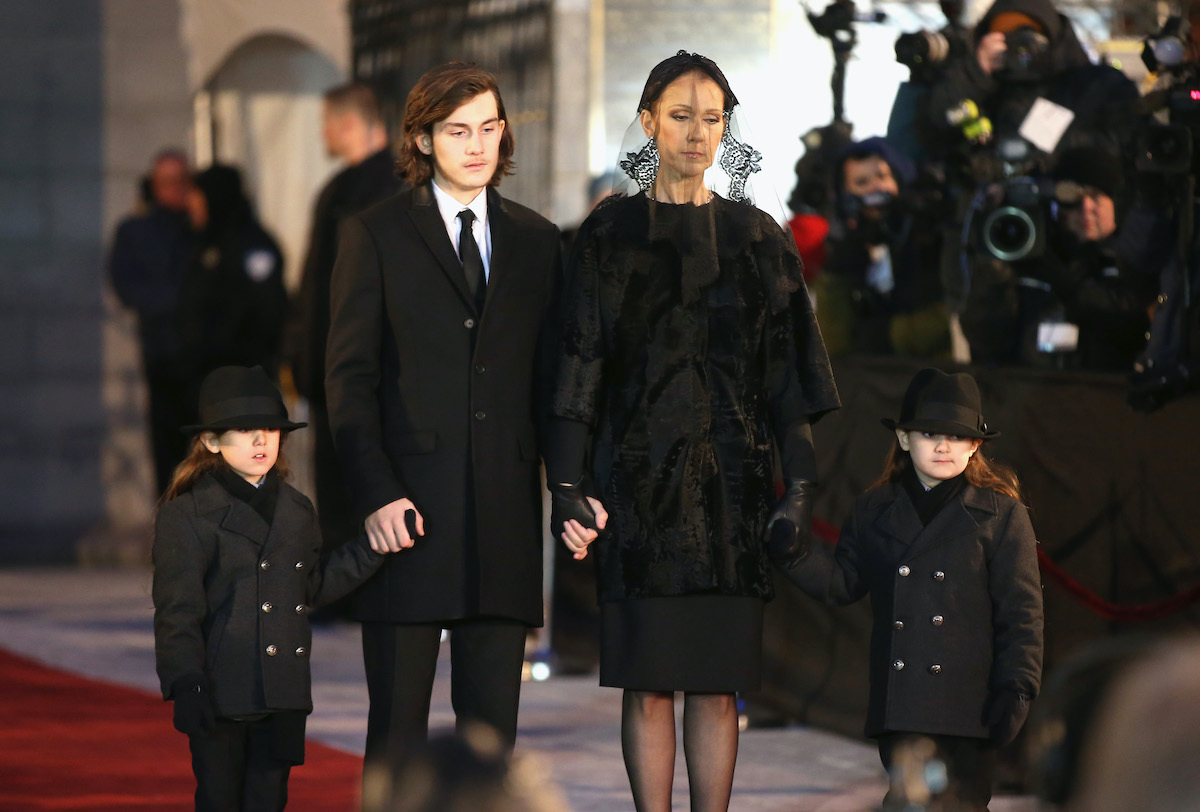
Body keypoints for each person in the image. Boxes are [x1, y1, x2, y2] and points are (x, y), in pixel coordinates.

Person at [546, 51, 839, 811]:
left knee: (718, 688)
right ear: (648, 122)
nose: (697, 132)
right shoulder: (607, 234)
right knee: (647, 687)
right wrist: (567, 483)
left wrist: (800, 488)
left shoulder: (758, 237)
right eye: (681, 115)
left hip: (734, 500)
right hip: (637, 497)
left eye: (713, 118)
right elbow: (579, 365)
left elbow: (790, 378)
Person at [324, 62, 562, 769]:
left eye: (489, 128)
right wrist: (374, 494)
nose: (477, 145)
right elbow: (349, 379)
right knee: (396, 734)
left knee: (493, 747)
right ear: (422, 140)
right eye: (458, 131)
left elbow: (552, 381)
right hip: (406, 517)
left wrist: (572, 488)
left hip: (502, 520)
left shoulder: (537, 240)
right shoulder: (374, 234)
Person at [770, 368, 1043, 810]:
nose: (942, 446)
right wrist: (795, 554)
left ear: (975, 445)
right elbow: (842, 583)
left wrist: (1017, 689)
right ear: (903, 439)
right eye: (929, 433)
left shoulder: (1002, 515)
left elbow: (1021, 613)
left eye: (956, 437)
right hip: (905, 705)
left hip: (972, 706)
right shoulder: (874, 510)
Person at [152, 365, 391, 811]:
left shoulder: (296, 509)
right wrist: (186, 684)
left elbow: (309, 589)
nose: (262, 440)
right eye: (244, 430)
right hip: (221, 694)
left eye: (271, 429)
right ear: (210, 441)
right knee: (220, 801)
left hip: (282, 692)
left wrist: (372, 548)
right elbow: (177, 612)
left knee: (269, 801)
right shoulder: (186, 516)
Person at [289, 82, 404, 550]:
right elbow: (316, 281)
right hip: (328, 359)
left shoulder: (390, 185)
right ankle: (340, 577)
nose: (323, 134)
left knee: (367, 479)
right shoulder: (338, 188)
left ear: (350, 123)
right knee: (333, 481)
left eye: (327, 124)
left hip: (368, 361)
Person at [108, 148, 195, 495]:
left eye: (181, 182)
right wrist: (176, 303)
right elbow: (127, 287)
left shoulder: (201, 226)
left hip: (203, 357)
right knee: (169, 452)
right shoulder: (136, 230)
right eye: (167, 183)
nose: (175, 190)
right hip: (163, 354)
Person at [815, 137, 950, 358]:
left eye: (882, 176)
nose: (875, 187)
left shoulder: (928, 235)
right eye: (861, 182)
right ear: (846, 196)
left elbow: (946, 320)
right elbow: (833, 341)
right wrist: (836, 271)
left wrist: (887, 335)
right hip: (869, 384)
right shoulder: (844, 254)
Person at [177, 164, 288, 399]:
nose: (191, 205)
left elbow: (268, 312)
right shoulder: (203, 244)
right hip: (203, 378)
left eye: (197, 198)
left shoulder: (252, 246)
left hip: (241, 384)